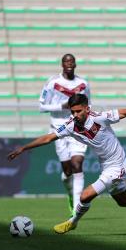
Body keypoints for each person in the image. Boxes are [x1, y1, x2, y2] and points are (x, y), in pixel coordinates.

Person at [8, 94, 126, 235]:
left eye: (78, 111)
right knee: (123, 200)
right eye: (72, 112)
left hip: (118, 165)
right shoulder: (71, 125)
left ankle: (73, 222)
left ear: (87, 108)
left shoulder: (99, 117)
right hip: (105, 166)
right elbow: (49, 138)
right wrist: (24, 147)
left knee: (85, 196)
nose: (75, 115)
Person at [39, 54, 91, 215]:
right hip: (58, 128)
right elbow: (42, 106)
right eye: (66, 61)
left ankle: (77, 207)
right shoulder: (53, 82)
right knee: (67, 170)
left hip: (77, 127)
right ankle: (70, 195)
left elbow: (88, 103)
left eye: (72, 61)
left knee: (77, 165)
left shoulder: (83, 84)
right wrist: (62, 106)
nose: (69, 63)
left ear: (75, 64)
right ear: (62, 64)